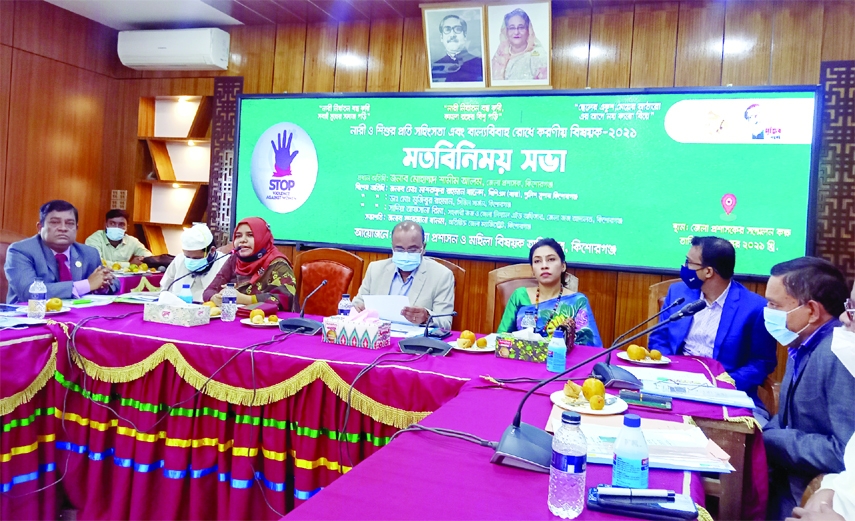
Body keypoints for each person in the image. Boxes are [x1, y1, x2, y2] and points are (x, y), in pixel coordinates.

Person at [762, 257, 855, 520]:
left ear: (812, 311)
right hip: (782, 479)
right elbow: (787, 416)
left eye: (774, 305)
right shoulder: (800, 341)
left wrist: (772, 439)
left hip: (807, 495)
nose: (767, 311)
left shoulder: (840, 354)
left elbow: (844, 450)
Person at [648, 236, 777, 412]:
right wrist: (671, 373)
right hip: (675, 384)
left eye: (689, 262)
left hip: (724, 394)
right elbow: (659, 337)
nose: (684, 267)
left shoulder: (754, 308)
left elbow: (762, 362)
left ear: (708, 272)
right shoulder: (678, 293)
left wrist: (724, 384)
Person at [787, 288, 855, 521]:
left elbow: (840, 449)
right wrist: (829, 488)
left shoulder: (834, 354)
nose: (844, 318)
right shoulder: (797, 343)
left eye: (853, 310)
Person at [497, 238, 602, 347]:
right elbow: (501, 337)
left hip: (562, 361)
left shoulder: (577, 301)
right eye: (537, 261)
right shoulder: (519, 296)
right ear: (532, 270)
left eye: (551, 259)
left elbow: (591, 347)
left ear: (563, 266)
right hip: (521, 359)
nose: (544, 266)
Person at [5, 200, 115, 303]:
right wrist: (86, 285)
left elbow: (113, 282)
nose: (63, 228)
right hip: (29, 317)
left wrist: (102, 286)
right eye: (55, 222)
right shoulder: (21, 251)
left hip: (78, 315)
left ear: (76, 228)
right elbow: (29, 292)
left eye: (69, 223)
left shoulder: (88, 253)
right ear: (40, 227)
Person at [352, 221, 455, 330]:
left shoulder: (442, 275)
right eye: (400, 249)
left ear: (423, 248)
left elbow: (445, 322)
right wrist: (358, 310)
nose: (405, 254)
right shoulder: (375, 269)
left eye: (412, 249)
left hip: (414, 343)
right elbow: (356, 305)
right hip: (378, 338)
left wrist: (426, 317)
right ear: (392, 248)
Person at [203, 217, 296, 310]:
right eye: (238, 236)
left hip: (269, 320)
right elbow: (209, 290)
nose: (243, 240)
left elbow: (286, 300)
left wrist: (245, 299)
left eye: (250, 235)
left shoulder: (278, 263)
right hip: (236, 317)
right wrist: (215, 298)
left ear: (263, 237)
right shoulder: (234, 260)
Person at [160, 223, 229, 303]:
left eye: (196, 258)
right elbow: (165, 288)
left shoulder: (225, 262)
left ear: (212, 251)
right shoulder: (180, 259)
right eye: (188, 257)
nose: (191, 261)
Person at [491, 8, 548, 81]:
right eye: (512, 28)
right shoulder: (498, 57)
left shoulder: (539, 57)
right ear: (506, 32)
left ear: (528, 30)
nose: (516, 32)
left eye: (521, 27)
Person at [84, 209, 151, 264]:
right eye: (112, 223)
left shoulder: (132, 241)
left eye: (121, 224)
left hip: (123, 279)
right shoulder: (94, 239)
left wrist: (143, 259)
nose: (116, 227)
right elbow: (96, 262)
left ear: (126, 227)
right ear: (106, 224)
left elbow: (148, 256)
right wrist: (129, 265)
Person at [430, 14, 484, 83]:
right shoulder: (435, 67)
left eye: (457, 29)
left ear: (465, 36)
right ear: (441, 38)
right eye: (447, 29)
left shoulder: (479, 64)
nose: (452, 35)